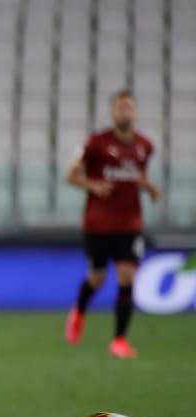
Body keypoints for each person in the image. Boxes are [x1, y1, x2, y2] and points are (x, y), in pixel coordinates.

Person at [64, 89, 160, 359]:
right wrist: (91, 184)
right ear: (112, 112)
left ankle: (119, 340)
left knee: (128, 276)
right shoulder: (96, 143)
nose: (125, 112)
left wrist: (149, 188)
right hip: (98, 224)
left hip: (130, 223)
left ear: (136, 112)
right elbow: (70, 175)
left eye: (129, 107)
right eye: (120, 108)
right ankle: (79, 312)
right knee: (97, 278)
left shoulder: (145, 146)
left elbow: (139, 174)